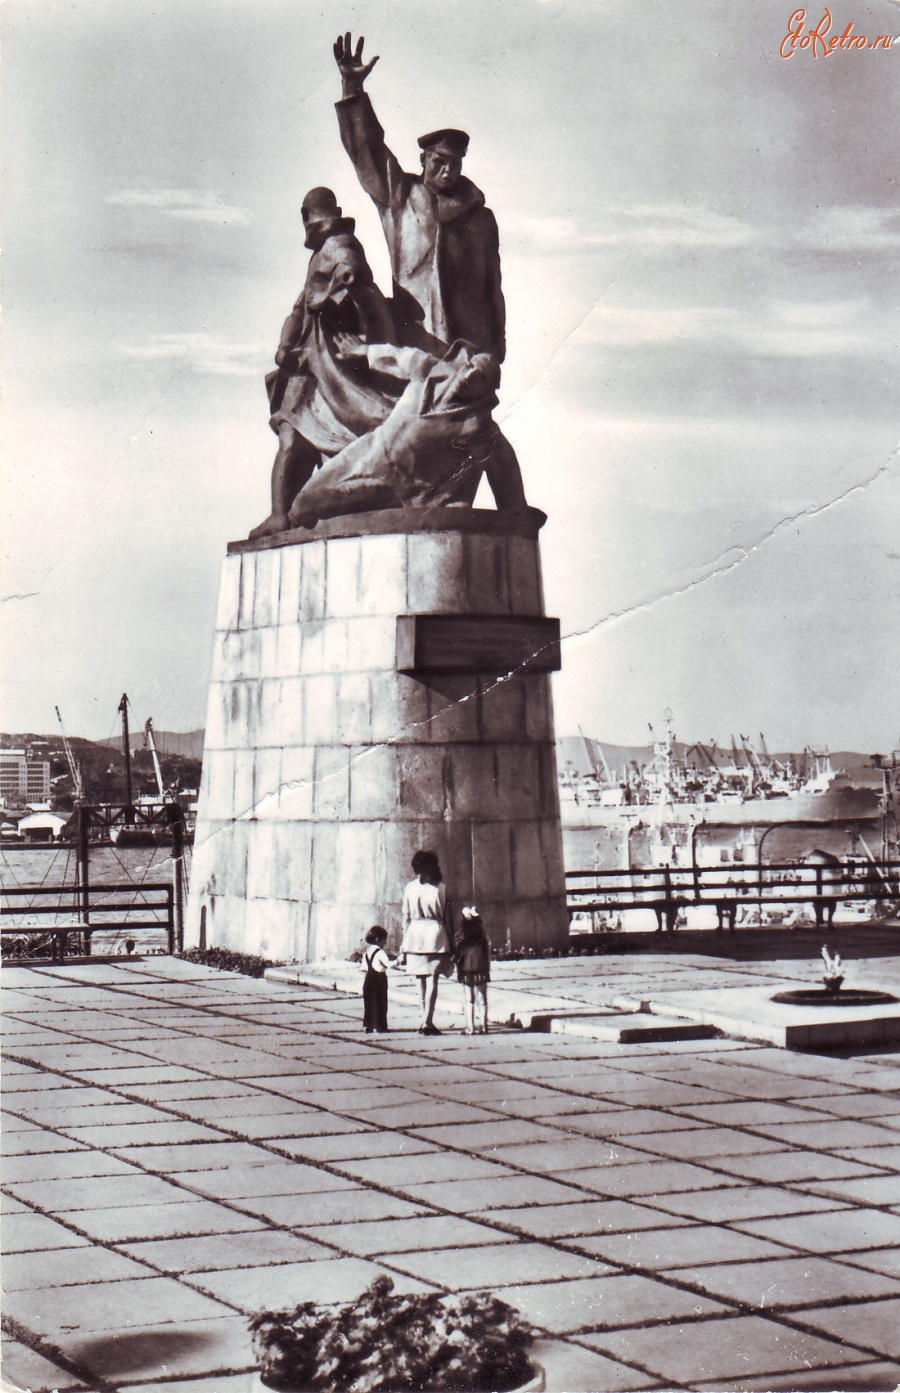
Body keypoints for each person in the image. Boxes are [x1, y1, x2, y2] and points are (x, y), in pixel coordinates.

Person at [334, 33, 505, 362]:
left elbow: (492, 288)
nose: (447, 170)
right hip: (414, 338)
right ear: (423, 161)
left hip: (472, 347)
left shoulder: (481, 218)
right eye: (439, 162)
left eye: (455, 163)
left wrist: (498, 342)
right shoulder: (401, 197)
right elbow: (367, 151)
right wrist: (352, 89)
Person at [249, 187, 398, 538]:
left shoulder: (339, 246)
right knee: (293, 433)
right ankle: (282, 514)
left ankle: (282, 513)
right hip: (313, 361)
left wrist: (332, 302)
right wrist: (286, 346)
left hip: (333, 365)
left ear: (310, 217)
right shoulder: (322, 254)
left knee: (298, 432)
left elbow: (354, 282)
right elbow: (302, 305)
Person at [288, 333, 526, 526]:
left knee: (323, 513)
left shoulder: (478, 428)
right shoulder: (431, 371)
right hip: (368, 455)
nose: (470, 375)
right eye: (471, 366)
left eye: (481, 379)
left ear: (485, 392)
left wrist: (517, 510)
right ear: (463, 364)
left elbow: (505, 465)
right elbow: (398, 358)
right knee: (302, 506)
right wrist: (362, 350)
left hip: (397, 488)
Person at [400, 850, 455, 1035]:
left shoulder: (409, 888)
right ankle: (427, 1021)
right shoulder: (442, 889)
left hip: (414, 936)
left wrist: (403, 944)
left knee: (420, 980)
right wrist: (453, 944)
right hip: (435, 936)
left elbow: (405, 918)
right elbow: (449, 920)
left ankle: (424, 1020)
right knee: (432, 979)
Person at [455, 907, 491, 1035]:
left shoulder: (461, 936)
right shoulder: (482, 936)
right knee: (482, 999)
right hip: (481, 968)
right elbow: (487, 953)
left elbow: (457, 956)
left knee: (469, 999)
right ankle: (484, 1026)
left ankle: (470, 1028)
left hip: (466, 970)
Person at [361, 925, 391, 1033]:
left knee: (369, 1003)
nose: (385, 943)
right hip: (379, 979)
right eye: (384, 941)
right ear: (378, 940)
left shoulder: (366, 953)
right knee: (380, 1003)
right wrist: (399, 961)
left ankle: (367, 1025)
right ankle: (379, 1026)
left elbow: (363, 968)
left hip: (368, 979)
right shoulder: (380, 953)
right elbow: (388, 964)